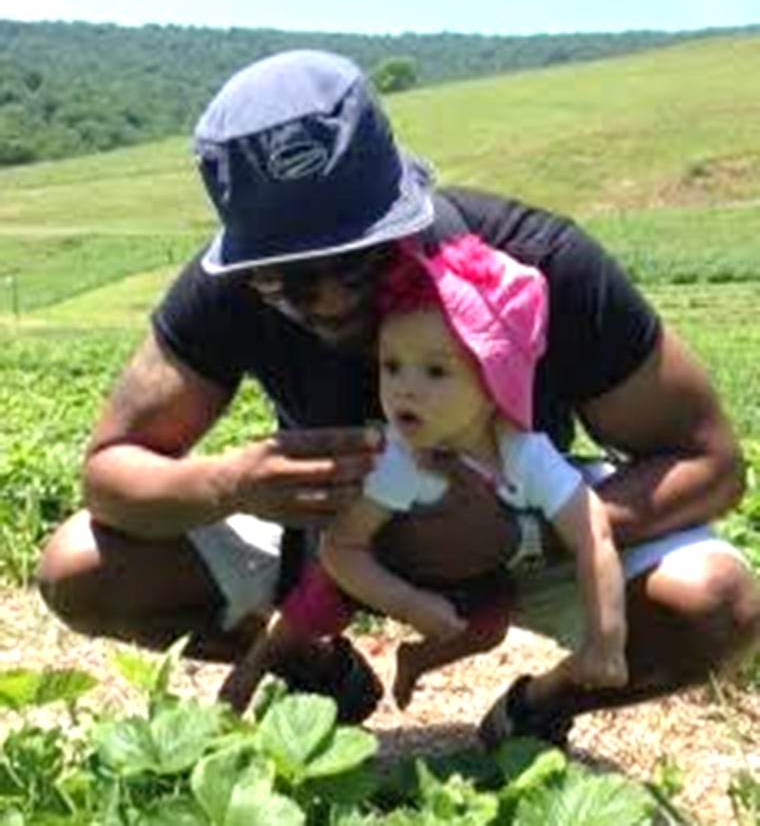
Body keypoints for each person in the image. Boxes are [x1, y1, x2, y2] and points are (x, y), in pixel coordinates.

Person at [36, 49, 760, 744]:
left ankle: (541, 707)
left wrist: (526, 531)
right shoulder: (225, 287)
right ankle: (317, 671)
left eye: (353, 261)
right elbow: (110, 470)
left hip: (524, 519)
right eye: (280, 277)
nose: (318, 298)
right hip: (332, 538)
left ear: (406, 209)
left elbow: (713, 462)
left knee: (716, 603)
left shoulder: (531, 264)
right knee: (81, 568)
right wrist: (231, 483)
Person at [219, 235, 628, 715]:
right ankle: (256, 664)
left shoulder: (524, 455)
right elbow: (341, 550)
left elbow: (593, 532)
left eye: (436, 372)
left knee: (486, 627)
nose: (404, 390)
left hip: (473, 575)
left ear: (496, 379)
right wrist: (408, 603)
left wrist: (606, 637)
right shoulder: (396, 458)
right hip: (376, 566)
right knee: (312, 606)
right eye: (392, 366)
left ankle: (416, 659)